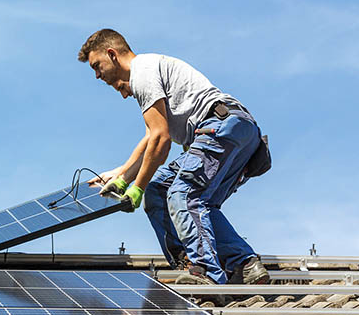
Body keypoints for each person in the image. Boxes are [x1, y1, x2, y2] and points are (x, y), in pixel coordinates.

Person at [79, 29, 269, 285]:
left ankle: (204, 273)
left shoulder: (141, 72)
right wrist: (121, 174)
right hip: (237, 131)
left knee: (183, 194)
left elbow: (161, 140)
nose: (97, 75)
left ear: (112, 54)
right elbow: (151, 138)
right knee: (161, 190)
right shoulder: (151, 70)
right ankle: (245, 264)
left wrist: (135, 189)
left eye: (97, 66)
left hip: (217, 128)